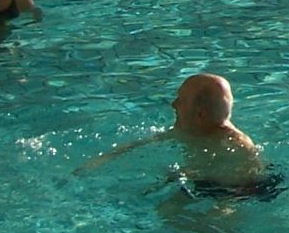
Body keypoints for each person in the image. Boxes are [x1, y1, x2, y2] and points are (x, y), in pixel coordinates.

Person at [80, 73, 278, 199]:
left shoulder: (236, 145)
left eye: (181, 100)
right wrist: (101, 160)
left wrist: (186, 175)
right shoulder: (188, 128)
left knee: (217, 220)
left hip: (237, 190)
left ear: (200, 115)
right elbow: (144, 143)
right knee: (166, 212)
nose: (173, 105)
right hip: (204, 181)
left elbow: (243, 184)